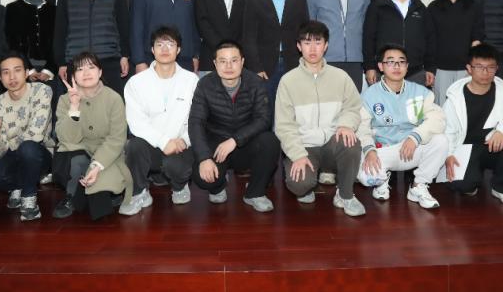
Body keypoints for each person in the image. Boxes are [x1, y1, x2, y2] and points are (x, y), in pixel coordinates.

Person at [275, 21, 365, 217]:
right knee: (300, 184)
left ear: (326, 45)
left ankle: (345, 195)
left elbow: (353, 107)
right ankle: (308, 185)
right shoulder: (288, 81)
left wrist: (346, 125)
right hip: (305, 146)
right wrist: (297, 154)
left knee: (351, 142)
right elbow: (284, 126)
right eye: (307, 43)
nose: (313, 48)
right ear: (299, 46)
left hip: (332, 142)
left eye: (318, 42)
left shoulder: (340, 77)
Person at [190, 40, 280, 212]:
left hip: (246, 143)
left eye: (234, 60)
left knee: (270, 142)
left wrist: (235, 140)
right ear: (215, 63)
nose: (229, 66)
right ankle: (218, 186)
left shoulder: (255, 82)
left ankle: (254, 193)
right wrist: (204, 158)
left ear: (242, 61)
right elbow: (196, 122)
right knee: (201, 177)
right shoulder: (205, 84)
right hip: (217, 144)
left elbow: (264, 119)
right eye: (223, 61)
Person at [356, 44, 448, 209]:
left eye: (401, 62)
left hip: (411, 147)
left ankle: (418, 186)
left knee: (441, 141)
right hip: (383, 150)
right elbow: (362, 127)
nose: (397, 66)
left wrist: (415, 137)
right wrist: (369, 150)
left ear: (407, 66)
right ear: (381, 66)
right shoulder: (369, 95)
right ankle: (382, 181)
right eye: (390, 62)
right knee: (365, 177)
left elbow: (438, 118)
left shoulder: (420, 91)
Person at [439, 44, 503, 207]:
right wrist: (449, 155)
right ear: (469, 69)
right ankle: (474, 174)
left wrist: (502, 131)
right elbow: (447, 131)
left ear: (497, 69)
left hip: (493, 145)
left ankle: (502, 187)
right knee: (463, 186)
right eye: (479, 67)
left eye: (490, 67)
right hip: (465, 148)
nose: (485, 72)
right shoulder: (455, 97)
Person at [122, 26, 199, 214]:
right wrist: (163, 142)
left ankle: (180, 186)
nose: (165, 49)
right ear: (152, 49)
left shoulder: (191, 80)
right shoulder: (136, 82)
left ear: (178, 49)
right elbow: (136, 123)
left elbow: (197, 119)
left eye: (170, 44)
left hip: (181, 145)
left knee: (176, 166)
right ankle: (139, 192)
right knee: (133, 146)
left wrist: (184, 140)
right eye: (159, 44)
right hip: (151, 144)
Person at [52, 52, 134, 220]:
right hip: (79, 153)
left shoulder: (113, 98)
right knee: (73, 158)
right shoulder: (65, 100)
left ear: (100, 72)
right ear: (73, 76)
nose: (86, 73)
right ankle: (71, 194)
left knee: (99, 209)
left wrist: (96, 165)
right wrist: (74, 107)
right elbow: (67, 139)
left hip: (108, 155)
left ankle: (104, 192)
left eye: (91, 67)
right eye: (80, 69)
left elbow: (117, 138)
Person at [0, 53, 54, 221]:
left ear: (27, 73)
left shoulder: (42, 91)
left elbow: (35, 135)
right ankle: (20, 184)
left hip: (38, 152)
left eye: (17, 70)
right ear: (0, 77)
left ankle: (28, 196)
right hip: (12, 155)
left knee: (28, 148)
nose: (12, 77)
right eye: (6, 72)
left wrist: (10, 150)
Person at [54, 0, 131, 95]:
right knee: (76, 106)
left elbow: (123, 25)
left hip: (109, 59)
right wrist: (61, 62)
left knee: (110, 106)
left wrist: (124, 55)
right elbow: (60, 28)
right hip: (76, 61)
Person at [242, 0, 310, 108]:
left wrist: (304, 63)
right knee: (266, 110)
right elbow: (249, 38)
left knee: (293, 108)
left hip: (293, 64)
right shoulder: (253, 0)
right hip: (264, 67)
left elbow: (305, 34)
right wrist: (256, 68)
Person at [362, 0, 435, 87]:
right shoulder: (377, 7)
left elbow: (430, 39)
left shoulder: (420, 7)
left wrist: (430, 68)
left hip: (416, 72)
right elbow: (368, 39)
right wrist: (369, 67)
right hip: (384, 72)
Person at [428, 0, 485, 105]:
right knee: (442, 107)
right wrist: (430, 68)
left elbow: (477, 37)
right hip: (440, 69)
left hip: (466, 68)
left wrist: (473, 66)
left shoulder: (473, 6)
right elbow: (430, 39)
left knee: (465, 107)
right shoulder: (433, 7)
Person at [5, 0, 57, 81]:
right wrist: (28, 69)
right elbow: (11, 42)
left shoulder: (54, 10)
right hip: (22, 70)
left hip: (51, 71)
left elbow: (58, 42)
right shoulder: (12, 9)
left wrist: (49, 70)